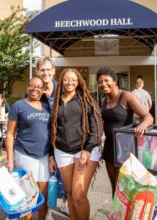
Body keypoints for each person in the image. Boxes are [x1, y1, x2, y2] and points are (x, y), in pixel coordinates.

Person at [49, 68, 103, 220]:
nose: (69, 82)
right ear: (61, 81)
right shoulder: (57, 101)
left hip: (85, 150)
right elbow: (52, 129)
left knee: (79, 195)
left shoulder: (87, 99)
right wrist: (51, 155)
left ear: (79, 81)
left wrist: (87, 150)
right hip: (62, 150)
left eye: (73, 79)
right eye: (66, 79)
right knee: (70, 193)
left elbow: (97, 126)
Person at [96, 67, 154, 197]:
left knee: (126, 189)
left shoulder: (126, 96)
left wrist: (142, 125)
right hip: (109, 149)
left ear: (115, 81)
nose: (103, 84)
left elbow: (148, 117)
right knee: (114, 187)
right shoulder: (104, 101)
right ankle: (116, 215)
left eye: (106, 80)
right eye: (100, 82)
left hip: (125, 150)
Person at [6, 76, 51, 220]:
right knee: (28, 196)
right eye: (32, 86)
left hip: (43, 155)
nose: (35, 89)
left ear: (43, 90)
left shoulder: (47, 107)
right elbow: (10, 134)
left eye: (38, 87)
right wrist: (10, 160)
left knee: (43, 194)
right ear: (27, 87)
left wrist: (51, 156)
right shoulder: (18, 105)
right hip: (25, 153)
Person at [36, 55, 69, 216]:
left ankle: (65, 203)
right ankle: (47, 209)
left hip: (64, 139)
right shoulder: (35, 92)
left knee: (66, 176)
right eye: (42, 70)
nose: (46, 73)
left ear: (54, 71)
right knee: (46, 178)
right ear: (37, 71)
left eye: (48, 69)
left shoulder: (63, 89)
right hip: (43, 141)